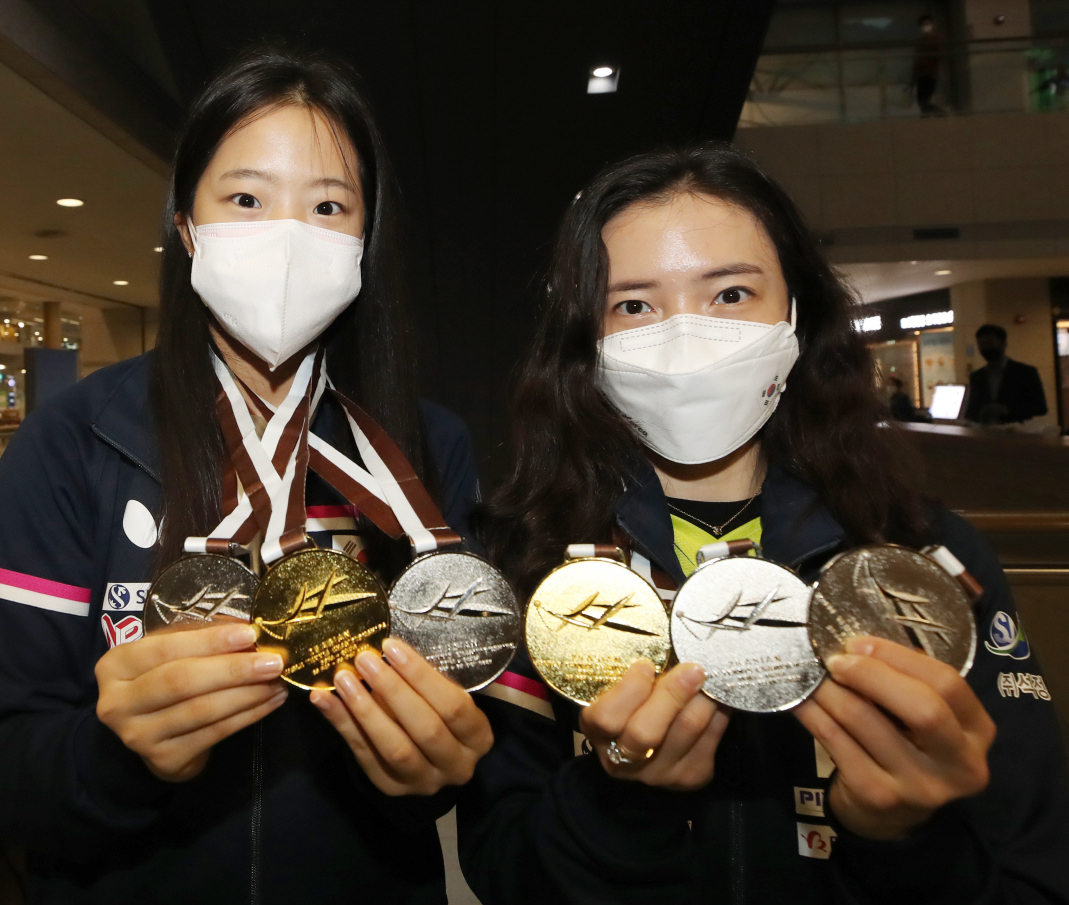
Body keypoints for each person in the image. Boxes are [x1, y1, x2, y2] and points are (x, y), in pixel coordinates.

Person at [0, 47, 494, 904]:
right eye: (246, 199)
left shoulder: (425, 451)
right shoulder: (73, 440)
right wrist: (118, 758)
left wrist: (432, 771)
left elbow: (469, 732)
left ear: (364, 238)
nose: (288, 235)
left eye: (328, 206)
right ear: (186, 225)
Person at [458, 144, 1069, 904]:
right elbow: (505, 868)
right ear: (587, 340)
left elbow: (1032, 873)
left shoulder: (921, 558)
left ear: (797, 312)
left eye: (731, 294)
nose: (686, 340)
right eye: (634, 306)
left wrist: (904, 836)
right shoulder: (523, 561)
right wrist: (620, 803)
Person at [966, 323, 1048, 424]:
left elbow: (1040, 407)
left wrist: (1006, 409)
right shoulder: (976, 377)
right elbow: (971, 410)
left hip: (1016, 431)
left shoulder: (1025, 373)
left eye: (990, 343)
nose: (985, 348)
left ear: (1003, 344)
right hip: (984, 431)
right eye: (981, 345)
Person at [913, 15, 946, 116]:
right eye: (923, 25)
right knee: (921, 99)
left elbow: (939, 54)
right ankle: (929, 115)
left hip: (931, 71)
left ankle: (939, 113)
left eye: (927, 24)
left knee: (925, 99)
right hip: (921, 72)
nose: (925, 27)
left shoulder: (936, 38)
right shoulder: (921, 39)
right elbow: (917, 56)